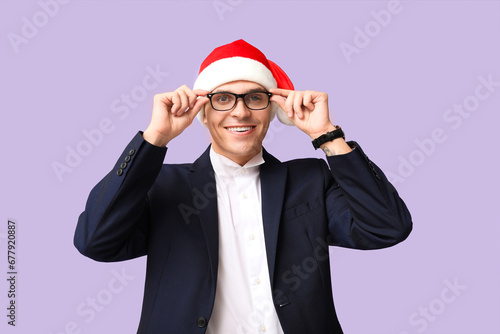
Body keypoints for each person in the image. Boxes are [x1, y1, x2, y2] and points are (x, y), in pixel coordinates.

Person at [74, 39, 412, 334]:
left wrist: (328, 136)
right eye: (223, 99)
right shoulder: (162, 184)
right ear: (203, 113)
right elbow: (95, 242)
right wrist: (155, 140)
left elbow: (387, 228)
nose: (240, 112)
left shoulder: (310, 180)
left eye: (254, 98)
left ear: (270, 110)